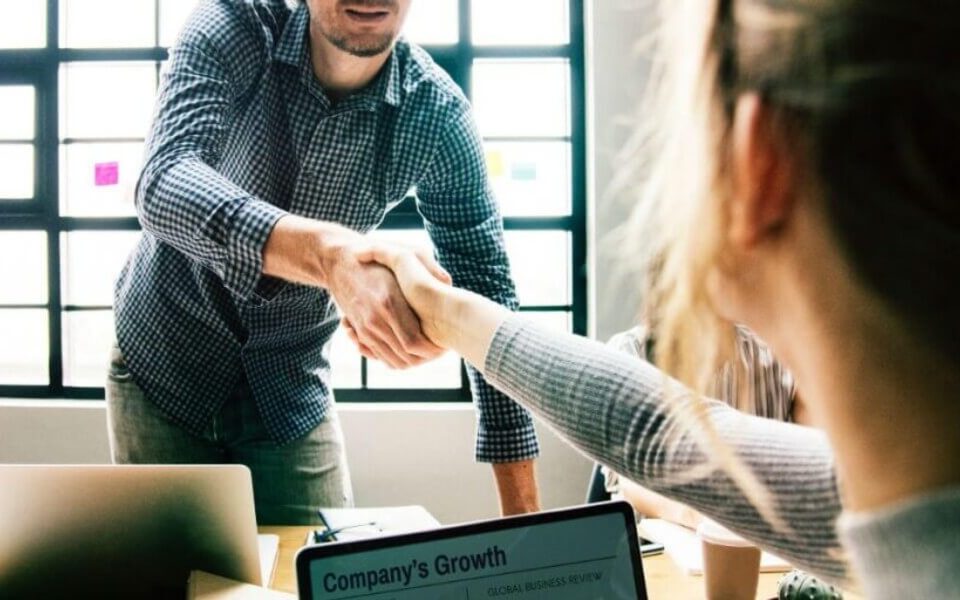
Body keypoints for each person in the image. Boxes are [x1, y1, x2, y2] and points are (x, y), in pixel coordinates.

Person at [357, 0, 960, 596]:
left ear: (762, 162)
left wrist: (443, 311)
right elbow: (651, 431)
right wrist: (449, 313)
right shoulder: (877, 490)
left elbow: (653, 435)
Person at [107, 0, 541, 525]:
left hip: (288, 387)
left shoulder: (436, 115)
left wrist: (528, 528)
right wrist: (332, 257)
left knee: (327, 577)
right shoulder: (234, 24)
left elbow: (486, 293)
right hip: (163, 360)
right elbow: (163, 181)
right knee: (170, 580)